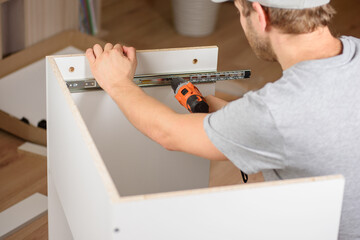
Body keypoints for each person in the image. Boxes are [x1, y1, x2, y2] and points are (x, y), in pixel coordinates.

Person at [86, 0, 360, 238]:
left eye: (241, 12)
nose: (242, 21)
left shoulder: (277, 112)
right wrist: (226, 117)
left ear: (260, 15)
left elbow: (167, 133)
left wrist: (118, 83)